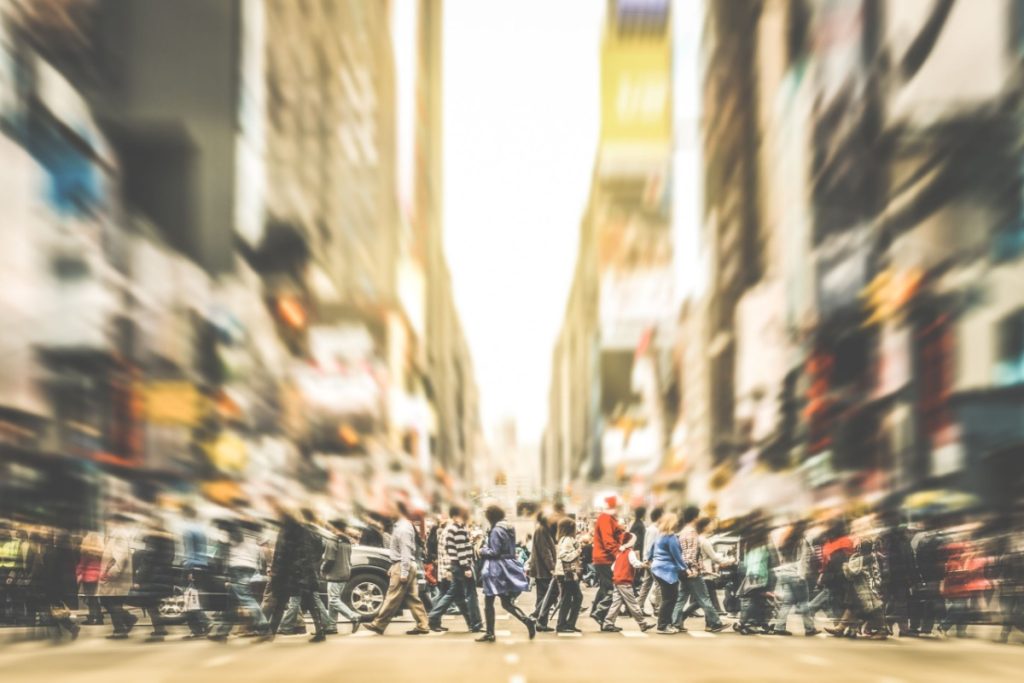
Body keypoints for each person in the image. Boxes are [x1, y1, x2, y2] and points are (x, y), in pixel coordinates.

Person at [364, 503, 431, 636]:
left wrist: (403, 571)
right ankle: (423, 624)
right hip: (403, 564)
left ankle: (378, 624)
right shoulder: (402, 526)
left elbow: (406, 551)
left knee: (392, 597)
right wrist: (393, 565)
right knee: (412, 598)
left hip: (403, 565)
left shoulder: (403, 528)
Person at [267, 506, 328, 642]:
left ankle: (270, 633)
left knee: (280, 602)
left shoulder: (286, 530)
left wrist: (276, 569)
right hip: (305, 571)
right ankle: (320, 631)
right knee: (311, 602)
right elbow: (320, 547)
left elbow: (281, 551)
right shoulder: (308, 530)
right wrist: (311, 562)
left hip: (289, 572)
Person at [476, 504, 536, 643]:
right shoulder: (508, 528)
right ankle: (527, 621)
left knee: (489, 601)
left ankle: (490, 633)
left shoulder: (496, 530)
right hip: (507, 566)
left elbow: (494, 551)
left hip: (495, 569)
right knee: (506, 603)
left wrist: (482, 550)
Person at [208, 522, 272, 642]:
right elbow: (266, 547)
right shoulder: (254, 530)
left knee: (245, 597)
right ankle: (222, 632)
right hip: (250, 567)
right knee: (232, 601)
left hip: (236, 567)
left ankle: (264, 628)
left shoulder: (233, 528)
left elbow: (222, 548)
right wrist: (269, 565)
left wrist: (223, 570)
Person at [428, 506, 483, 633]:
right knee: (470, 594)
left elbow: (451, 548)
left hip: (454, 566)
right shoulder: (458, 529)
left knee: (454, 594)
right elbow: (460, 550)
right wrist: (466, 567)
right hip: (460, 566)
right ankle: (475, 624)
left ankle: (472, 623)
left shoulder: (451, 529)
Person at [673, 506, 725, 633]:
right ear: (695, 517)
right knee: (704, 598)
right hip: (692, 571)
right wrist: (693, 569)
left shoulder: (683, 532)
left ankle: (676, 622)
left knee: (682, 597)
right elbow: (690, 554)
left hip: (685, 570)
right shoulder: (692, 533)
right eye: (700, 514)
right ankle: (715, 623)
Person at [132, 514, 177, 642]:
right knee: (157, 603)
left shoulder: (153, 538)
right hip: (165, 573)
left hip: (153, 575)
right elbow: (170, 557)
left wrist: (138, 580)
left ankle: (159, 632)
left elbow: (148, 561)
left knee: (151, 604)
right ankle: (161, 629)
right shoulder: (169, 537)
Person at [768, 520, 816, 637]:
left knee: (787, 603)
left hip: (784, 574)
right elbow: (804, 560)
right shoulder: (802, 541)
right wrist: (802, 576)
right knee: (803, 602)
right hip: (796, 574)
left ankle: (779, 627)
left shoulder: (787, 542)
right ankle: (809, 628)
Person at [602, 532, 654, 633]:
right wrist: (644, 565)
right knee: (633, 603)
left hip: (617, 580)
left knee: (616, 603)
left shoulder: (620, 552)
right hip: (625, 581)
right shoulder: (630, 552)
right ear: (631, 542)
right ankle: (642, 624)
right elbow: (635, 563)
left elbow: (613, 567)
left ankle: (608, 623)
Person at [938, 541, 990, 638]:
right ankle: (943, 627)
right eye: (965, 549)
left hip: (964, 588)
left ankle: (960, 631)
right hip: (957, 589)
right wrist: (965, 574)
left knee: (964, 610)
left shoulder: (968, 559)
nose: (968, 551)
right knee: (958, 608)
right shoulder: (954, 561)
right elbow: (953, 576)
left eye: (970, 549)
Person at [878, 516, 919, 637]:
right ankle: (900, 629)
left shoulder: (884, 538)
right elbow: (909, 559)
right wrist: (913, 577)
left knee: (886, 603)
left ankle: (886, 626)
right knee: (899, 603)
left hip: (888, 576)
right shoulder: (901, 540)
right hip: (898, 577)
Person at [98, 515, 137, 639]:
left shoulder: (118, 535)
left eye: (107, 521)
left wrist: (111, 574)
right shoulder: (115, 535)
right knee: (110, 602)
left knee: (112, 603)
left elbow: (121, 559)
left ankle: (120, 629)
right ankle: (127, 620)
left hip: (115, 578)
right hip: (114, 577)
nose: (106, 524)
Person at [321, 519, 361, 634]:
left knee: (333, 600)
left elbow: (329, 559)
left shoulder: (333, 540)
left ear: (334, 527)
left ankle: (353, 617)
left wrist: (323, 570)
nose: (327, 528)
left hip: (335, 573)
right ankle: (331, 626)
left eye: (328, 526)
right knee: (333, 600)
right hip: (345, 572)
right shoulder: (346, 540)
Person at [735, 521, 775, 635]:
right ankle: (743, 623)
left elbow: (746, 562)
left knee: (758, 600)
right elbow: (766, 561)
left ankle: (761, 623)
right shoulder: (764, 546)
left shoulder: (750, 546)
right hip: (760, 575)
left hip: (751, 574)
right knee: (756, 600)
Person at [589, 496, 624, 627]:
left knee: (605, 587)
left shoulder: (607, 518)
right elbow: (608, 540)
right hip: (605, 558)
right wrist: (618, 554)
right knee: (612, 589)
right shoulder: (606, 518)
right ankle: (601, 614)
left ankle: (598, 613)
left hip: (603, 558)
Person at [650, 512, 686, 634]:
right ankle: (663, 626)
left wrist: (649, 560)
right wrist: (685, 568)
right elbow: (677, 555)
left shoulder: (659, 536)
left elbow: (650, 551)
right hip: (667, 570)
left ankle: (667, 624)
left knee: (668, 598)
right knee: (670, 599)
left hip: (657, 568)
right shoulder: (671, 538)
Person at [42, 529, 80, 641]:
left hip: (55, 585)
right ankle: (64, 630)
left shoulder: (54, 553)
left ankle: (68, 629)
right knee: (56, 609)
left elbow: (50, 571)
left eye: (56, 537)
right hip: (66, 586)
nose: (54, 538)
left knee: (53, 609)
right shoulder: (70, 553)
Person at [554, 517, 583, 634]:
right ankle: (565, 624)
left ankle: (566, 624)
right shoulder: (567, 540)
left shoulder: (563, 539)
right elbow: (564, 556)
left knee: (568, 598)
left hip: (564, 573)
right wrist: (578, 551)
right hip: (567, 573)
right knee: (575, 597)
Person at [528, 511, 556, 625]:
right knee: (551, 594)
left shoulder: (543, 530)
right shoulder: (542, 530)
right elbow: (545, 552)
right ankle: (535, 616)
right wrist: (552, 568)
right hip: (543, 570)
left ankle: (541, 622)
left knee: (543, 596)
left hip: (542, 569)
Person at [638, 508, 663, 615]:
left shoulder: (651, 529)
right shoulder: (654, 530)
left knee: (646, 584)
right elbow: (650, 546)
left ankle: (639, 606)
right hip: (652, 561)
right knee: (659, 584)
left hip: (648, 560)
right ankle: (658, 607)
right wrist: (648, 560)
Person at [76, 531, 104, 626]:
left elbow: (81, 565)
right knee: (94, 598)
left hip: (88, 578)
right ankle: (99, 617)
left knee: (90, 599)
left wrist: (77, 574)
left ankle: (93, 618)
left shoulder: (86, 553)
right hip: (97, 577)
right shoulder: (99, 553)